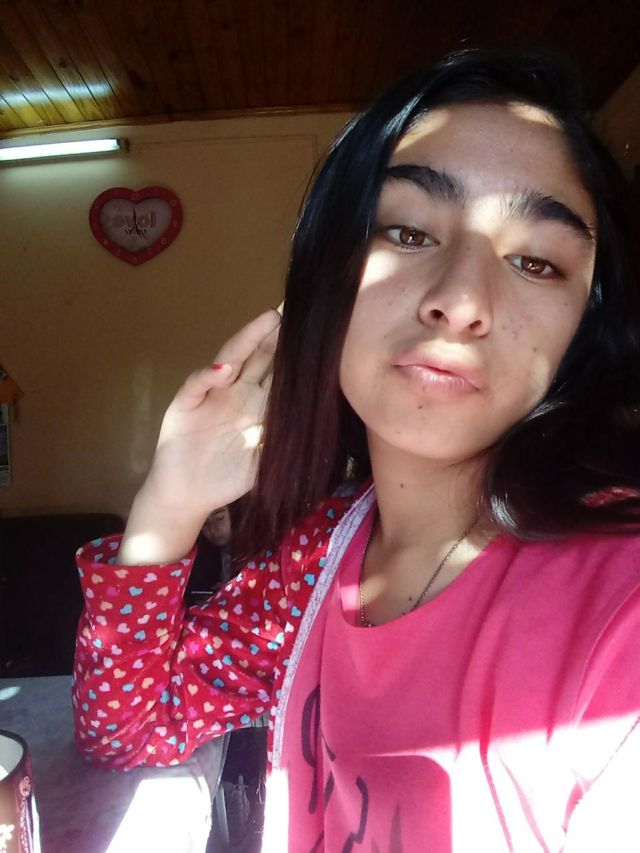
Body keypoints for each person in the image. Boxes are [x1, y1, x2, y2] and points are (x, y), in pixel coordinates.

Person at [73, 47, 640, 852]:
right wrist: (170, 505)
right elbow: (125, 729)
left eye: (536, 261)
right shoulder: (316, 556)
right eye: (407, 230)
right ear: (325, 280)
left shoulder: (618, 601)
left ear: (587, 328)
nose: (461, 301)